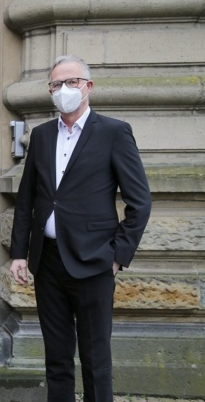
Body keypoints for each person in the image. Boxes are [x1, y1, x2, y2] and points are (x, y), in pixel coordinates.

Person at [9, 55, 152, 402]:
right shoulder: (41, 136)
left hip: (94, 261)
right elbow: (27, 198)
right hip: (48, 262)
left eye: (71, 82)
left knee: (95, 358)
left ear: (88, 87)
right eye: (56, 84)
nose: (63, 90)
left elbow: (140, 202)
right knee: (57, 358)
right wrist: (18, 254)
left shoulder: (114, 132)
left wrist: (116, 256)